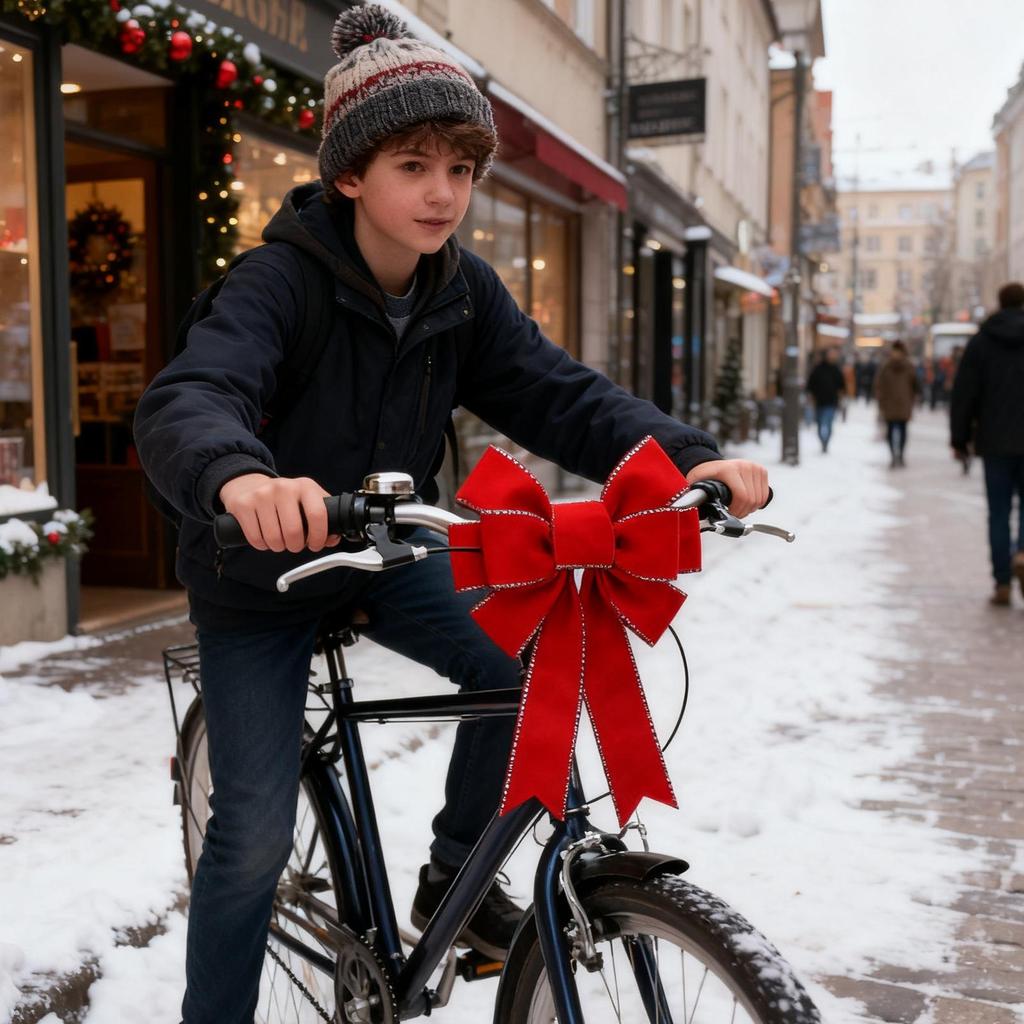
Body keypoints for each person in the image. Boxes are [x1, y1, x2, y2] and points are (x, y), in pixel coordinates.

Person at [133, 7, 770, 1022]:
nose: (441, 193)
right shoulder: (277, 282)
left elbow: (560, 393)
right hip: (259, 577)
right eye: (413, 165)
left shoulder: (460, 291)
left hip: (385, 553)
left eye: (461, 169)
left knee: (531, 669)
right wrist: (239, 480)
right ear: (349, 174)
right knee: (251, 835)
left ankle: (452, 886)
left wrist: (687, 455)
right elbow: (189, 396)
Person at [951, 282, 1024, 606]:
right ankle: (1022, 554)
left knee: (998, 512)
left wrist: (960, 438)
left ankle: (1002, 581)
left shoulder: (981, 342)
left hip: (994, 441)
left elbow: (965, 393)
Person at [874, 340, 918, 468]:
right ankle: (893, 455)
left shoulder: (909, 367)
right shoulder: (885, 367)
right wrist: (881, 401)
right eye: (894, 351)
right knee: (890, 431)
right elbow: (879, 385)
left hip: (904, 404)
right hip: (889, 404)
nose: (896, 354)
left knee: (903, 431)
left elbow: (915, 385)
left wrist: (912, 399)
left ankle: (901, 455)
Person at [805, 347, 846, 452]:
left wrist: (841, 398)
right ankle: (822, 441)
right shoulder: (818, 369)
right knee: (819, 424)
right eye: (830, 354)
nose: (832, 356)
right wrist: (810, 396)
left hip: (831, 402)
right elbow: (810, 384)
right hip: (819, 402)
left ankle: (826, 442)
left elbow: (841, 386)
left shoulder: (836, 370)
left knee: (828, 423)